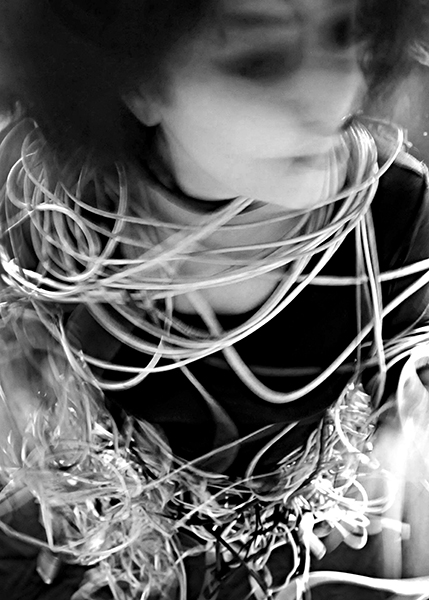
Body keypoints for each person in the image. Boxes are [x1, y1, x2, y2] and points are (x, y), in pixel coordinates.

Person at [0, 0, 429, 599]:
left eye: (345, 32)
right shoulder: (50, 214)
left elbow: (409, 378)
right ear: (138, 82)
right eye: (259, 59)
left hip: (300, 547)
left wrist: (405, 439)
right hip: (97, 541)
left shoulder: (396, 213)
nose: (341, 92)